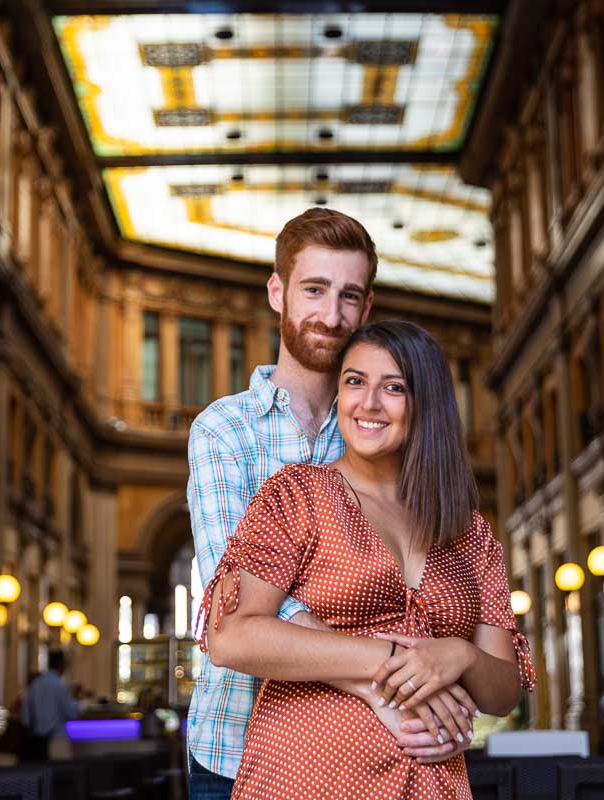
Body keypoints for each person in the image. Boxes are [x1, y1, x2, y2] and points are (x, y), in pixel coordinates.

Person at [186, 210, 473, 798]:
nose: (331, 315)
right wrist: (387, 681)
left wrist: (445, 665)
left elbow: (429, 589)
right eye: (314, 290)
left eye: (349, 296)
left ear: (367, 309)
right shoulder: (224, 431)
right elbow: (232, 606)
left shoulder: (384, 429)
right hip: (236, 748)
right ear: (277, 292)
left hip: (382, 753)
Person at [200, 320, 535, 799]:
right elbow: (230, 636)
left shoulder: (470, 532)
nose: (369, 403)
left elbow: (503, 693)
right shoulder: (297, 496)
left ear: (427, 403)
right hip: (305, 776)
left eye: (393, 387)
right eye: (354, 381)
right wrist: (394, 660)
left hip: (433, 783)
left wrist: (457, 656)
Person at [22, 649, 79, 762]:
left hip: (37, 740)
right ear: (61, 665)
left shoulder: (35, 684)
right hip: (57, 739)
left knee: (41, 774)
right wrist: (76, 700)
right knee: (59, 775)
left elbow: (26, 716)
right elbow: (71, 712)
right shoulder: (60, 685)